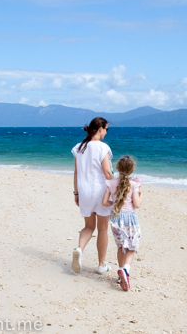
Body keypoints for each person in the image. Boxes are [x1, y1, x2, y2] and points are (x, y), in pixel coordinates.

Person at [71, 117, 114, 275]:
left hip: (84, 191)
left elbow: (76, 173)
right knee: (102, 229)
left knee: (89, 226)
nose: (106, 133)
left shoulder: (79, 147)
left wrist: (76, 193)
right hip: (101, 192)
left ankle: (79, 249)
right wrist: (118, 189)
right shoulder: (103, 147)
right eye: (106, 129)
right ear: (101, 128)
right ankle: (101, 265)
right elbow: (107, 172)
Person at [102, 155, 142, 292]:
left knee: (121, 247)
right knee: (131, 247)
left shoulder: (111, 183)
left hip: (116, 217)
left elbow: (104, 202)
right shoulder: (134, 184)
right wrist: (140, 194)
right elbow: (136, 204)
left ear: (118, 168)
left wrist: (113, 203)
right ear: (132, 170)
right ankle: (126, 270)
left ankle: (120, 274)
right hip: (129, 218)